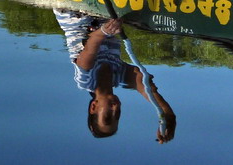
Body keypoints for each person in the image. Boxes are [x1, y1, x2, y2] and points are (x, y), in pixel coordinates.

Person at [54, 8, 176, 141]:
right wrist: (169, 116)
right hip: (101, 14)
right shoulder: (118, 76)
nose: (115, 108)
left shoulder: (85, 81)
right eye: (118, 114)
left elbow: (91, 46)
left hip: (74, 12)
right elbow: (144, 85)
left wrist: (104, 31)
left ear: (94, 106)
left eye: (108, 116)